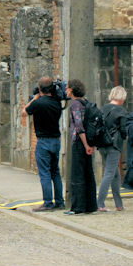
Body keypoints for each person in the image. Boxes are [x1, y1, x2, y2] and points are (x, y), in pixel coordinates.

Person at [21, 77, 65, 212]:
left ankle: (47, 202)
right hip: (56, 140)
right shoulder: (57, 103)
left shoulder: (38, 103)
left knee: (45, 173)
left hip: (43, 141)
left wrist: (34, 98)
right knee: (55, 172)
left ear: (40, 89)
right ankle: (59, 201)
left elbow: (24, 112)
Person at [65, 79, 98, 215]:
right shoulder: (86, 102)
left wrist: (85, 145)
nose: (66, 90)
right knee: (88, 174)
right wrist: (91, 144)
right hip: (89, 141)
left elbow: (79, 126)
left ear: (72, 90)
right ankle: (91, 205)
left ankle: (78, 207)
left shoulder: (75, 105)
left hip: (80, 142)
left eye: (67, 88)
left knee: (77, 174)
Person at [97, 86, 127, 212]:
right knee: (109, 174)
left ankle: (119, 204)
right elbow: (123, 130)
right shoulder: (121, 111)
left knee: (115, 175)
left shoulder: (102, 109)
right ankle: (99, 203)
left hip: (102, 145)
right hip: (114, 146)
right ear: (122, 97)